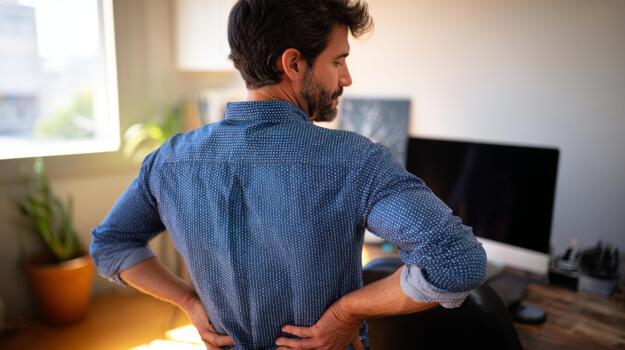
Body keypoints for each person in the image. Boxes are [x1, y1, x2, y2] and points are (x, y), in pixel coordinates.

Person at [90, 0, 487, 349]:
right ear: (293, 63)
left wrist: (191, 303)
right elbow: (457, 262)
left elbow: (110, 245)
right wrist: (345, 313)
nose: (345, 78)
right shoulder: (353, 161)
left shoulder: (169, 160)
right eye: (337, 60)